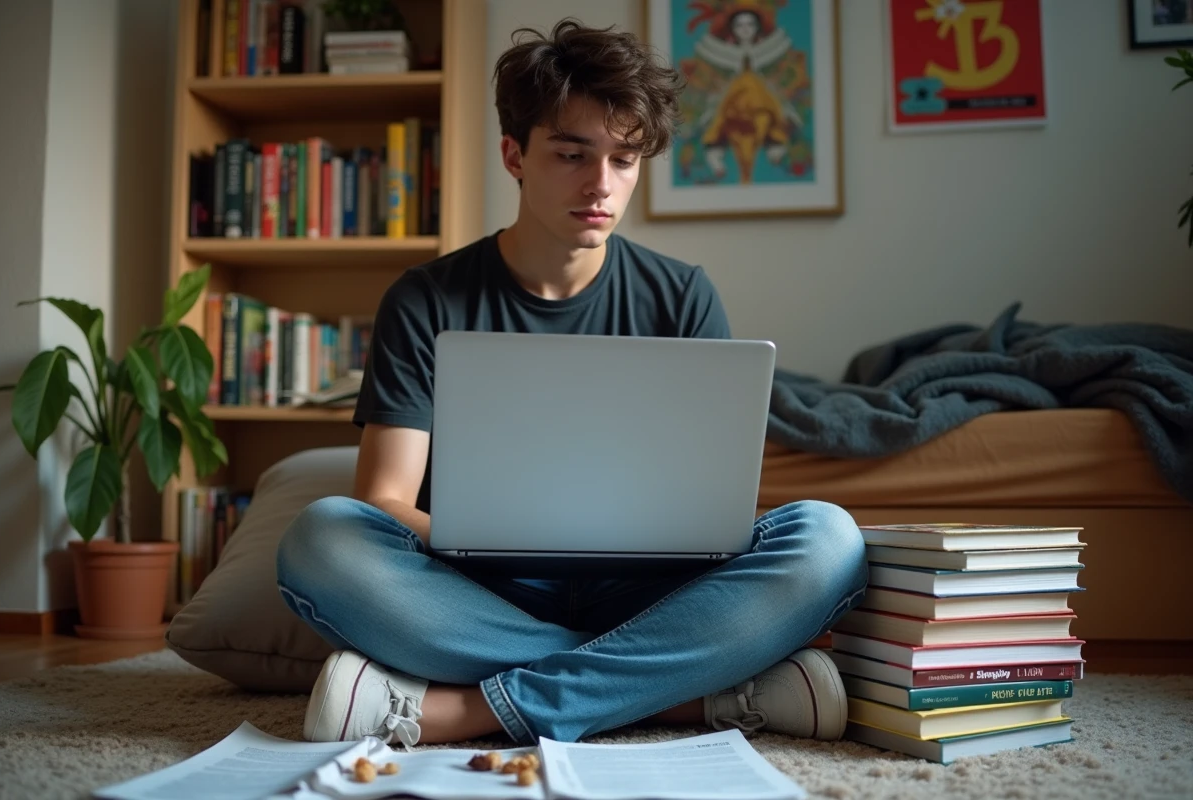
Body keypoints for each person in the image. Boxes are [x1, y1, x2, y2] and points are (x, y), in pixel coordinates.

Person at [275, 18, 867, 749]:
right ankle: (687, 691)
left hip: (649, 592)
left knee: (830, 538)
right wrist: (492, 542)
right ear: (514, 155)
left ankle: (469, 710)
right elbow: (386, 500)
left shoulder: (681, 296)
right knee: (321, 539)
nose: (602, 185)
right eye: (572, 154)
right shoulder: (426, 299)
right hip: (482, 589)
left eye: (624, 159)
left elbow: (714, 511)